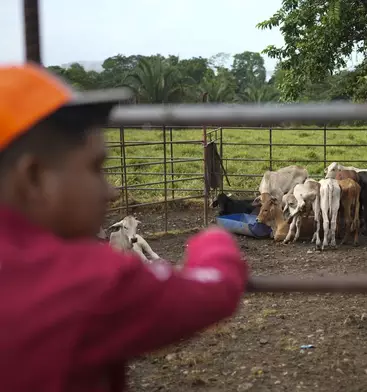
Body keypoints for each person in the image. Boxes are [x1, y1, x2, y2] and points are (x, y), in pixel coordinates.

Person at [0, 63, 249, 392]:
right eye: (95, 168)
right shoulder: (88, 280)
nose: (111, 190)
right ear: (34, 178)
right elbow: (213, 290)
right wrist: (213, 242)